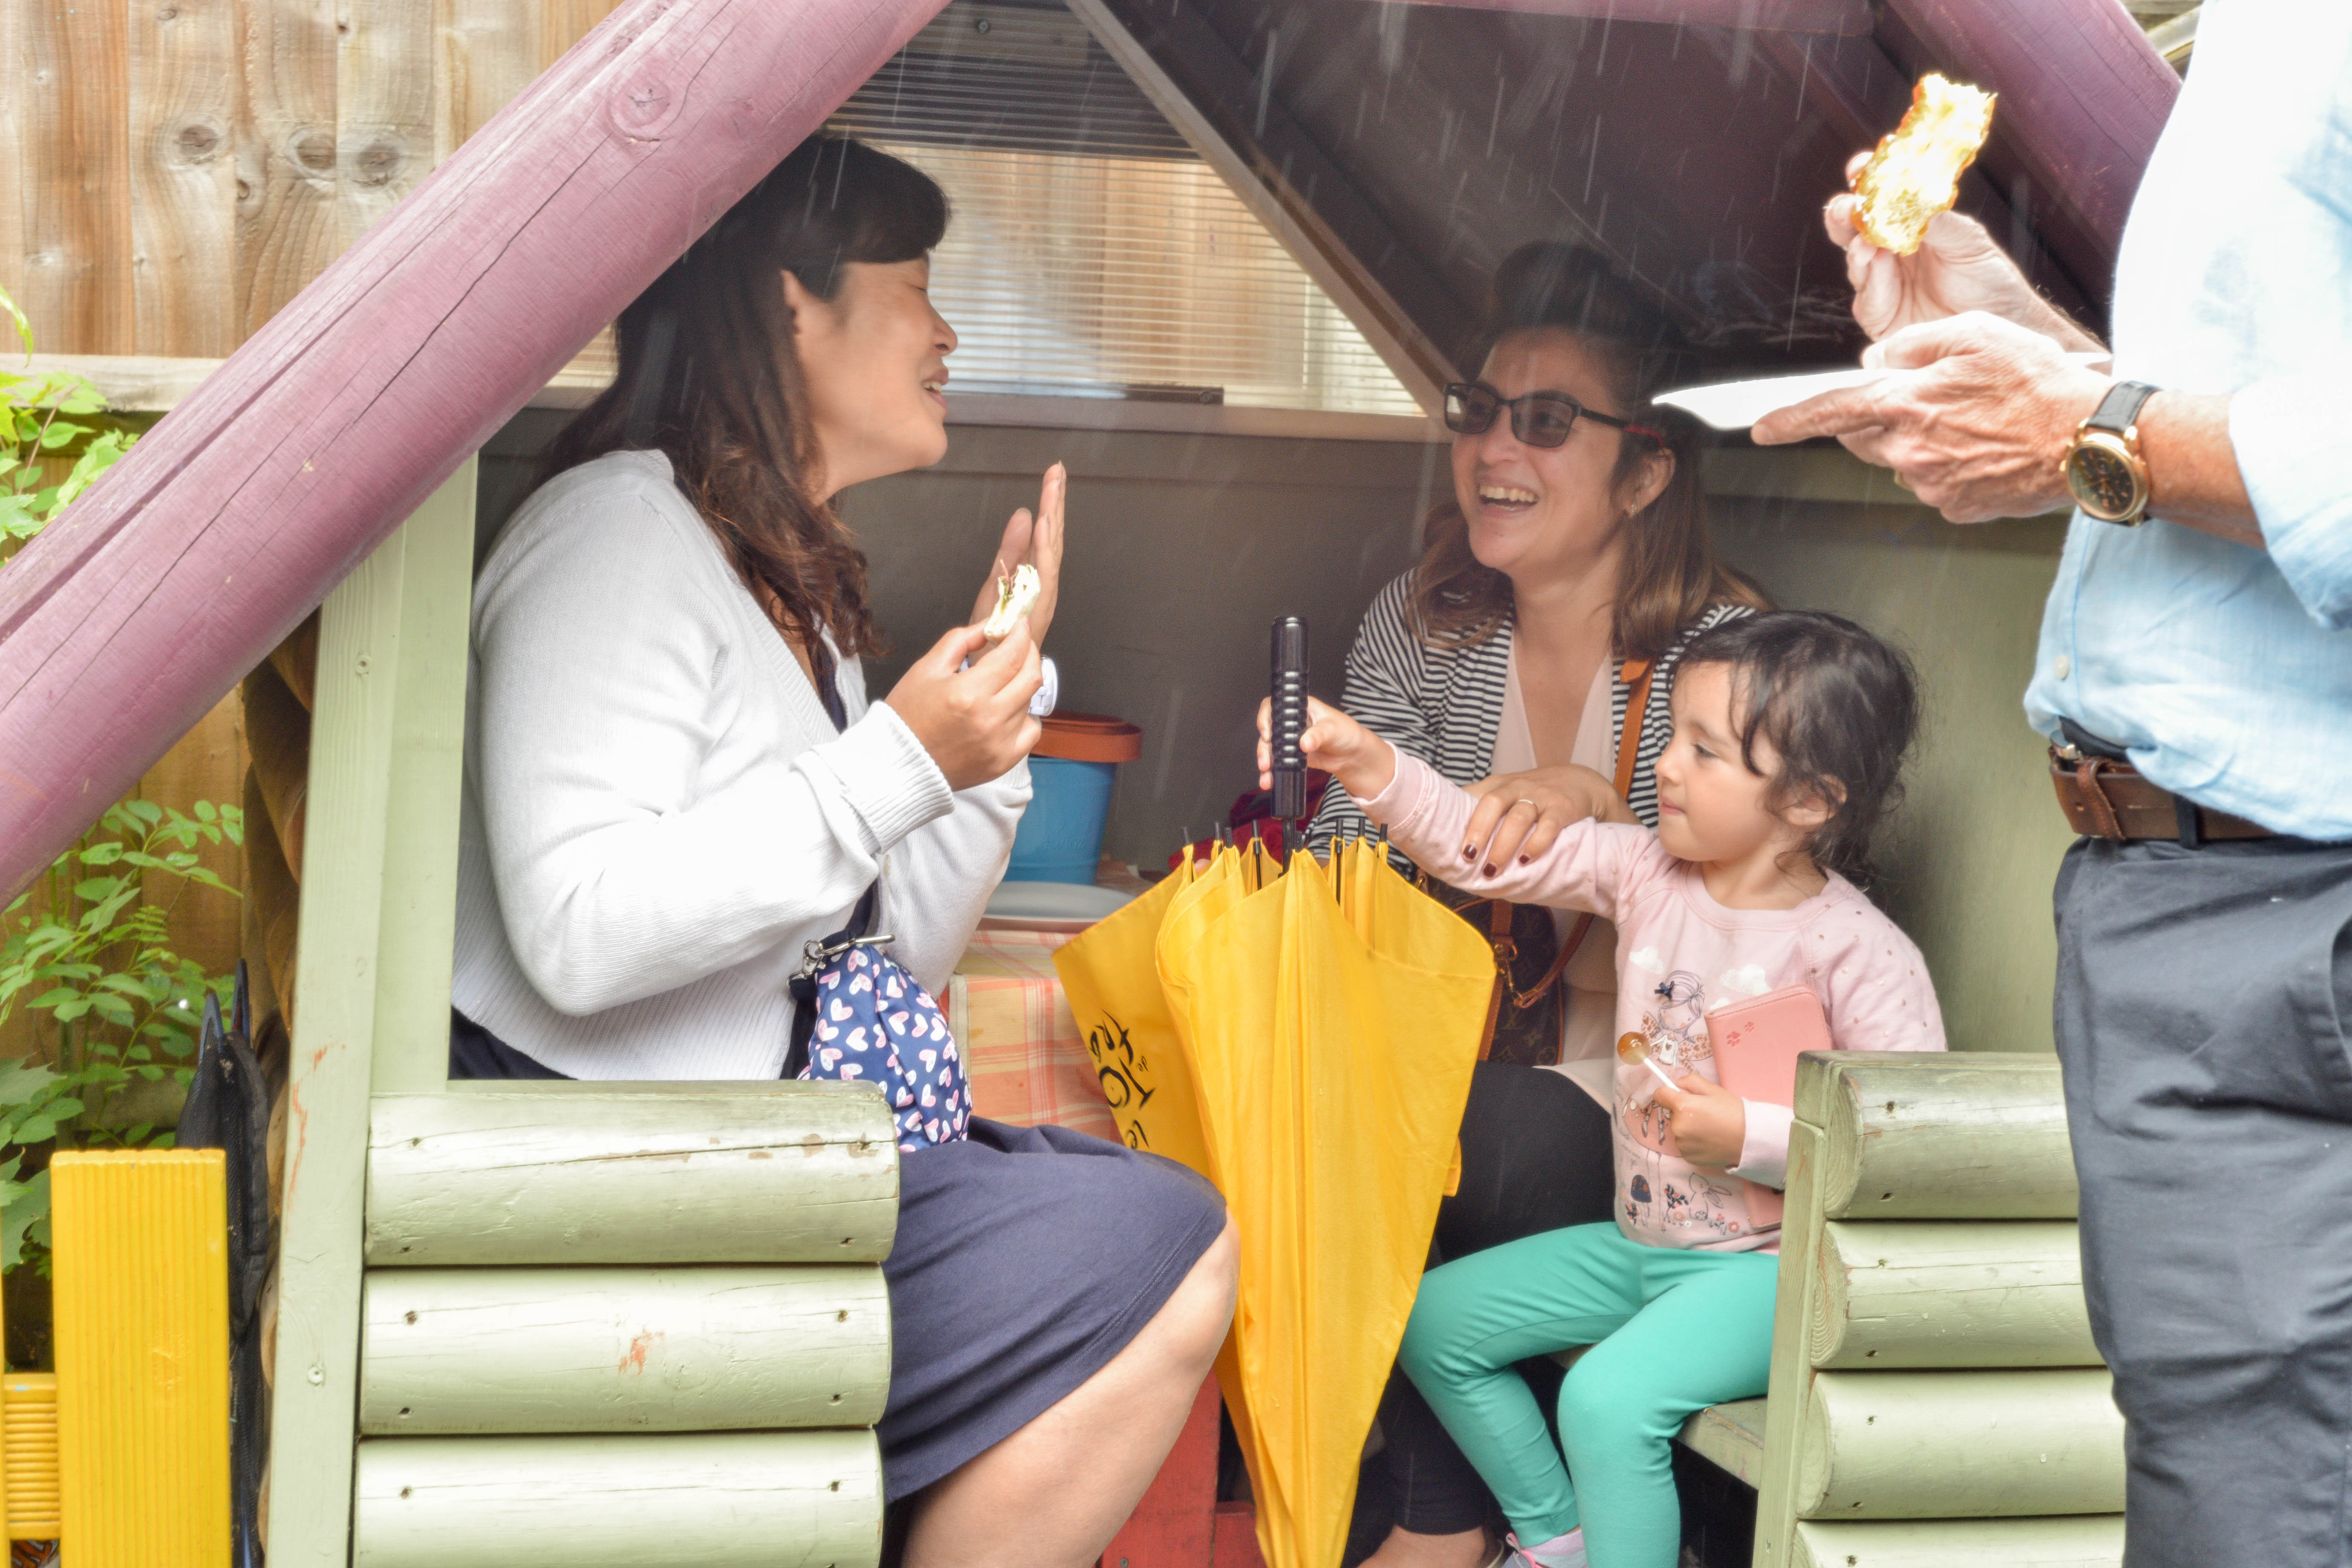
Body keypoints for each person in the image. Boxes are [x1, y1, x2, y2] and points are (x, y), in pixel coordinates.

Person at [448, 136, 1237, 1568]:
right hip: (623, 1200)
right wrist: (898, 763)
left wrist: (986, 732)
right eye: (915, 285)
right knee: (1156, 1244)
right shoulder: (617, 538)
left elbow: (885, 964)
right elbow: (577, 929)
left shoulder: (773, 573)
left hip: (762, 1160)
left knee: (1153, 1224)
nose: (947, 333)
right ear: (789, 305)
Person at [1752, 6, 2352, 1562]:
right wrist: (2050, 369)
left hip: (2291, 915)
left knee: (2252, 1518)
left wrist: (2090, 426)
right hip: (2189, 908)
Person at [1280, 611, 1944, 1568]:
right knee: (1428, 1325)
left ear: (1808, 800)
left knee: (1606, 1400)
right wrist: (1368, 763)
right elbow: (1472, 846)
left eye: (1705, 752)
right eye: (1672, 735)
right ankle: (1560, 1541)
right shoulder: (1645, 872)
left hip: (1771, 1275)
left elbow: (1907, 1149)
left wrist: (1753, 1137)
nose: (1665, 766)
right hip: (1642, 1247)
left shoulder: (1861, 951)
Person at [1301, 242, 1766, 1565]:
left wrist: (1605, 810)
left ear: (1647, 471)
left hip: (1661, 1111)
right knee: (1344, 1110)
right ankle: (1436, 1515)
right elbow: (1338, 863)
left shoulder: (1727, 659)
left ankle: (1443, 1529)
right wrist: (1415, 841)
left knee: (1464, 1139)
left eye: (1548, 421)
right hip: (1443, 1056)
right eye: (1478, 411)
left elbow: (1772, 924)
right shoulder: (1422, 622)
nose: (1495, 449)